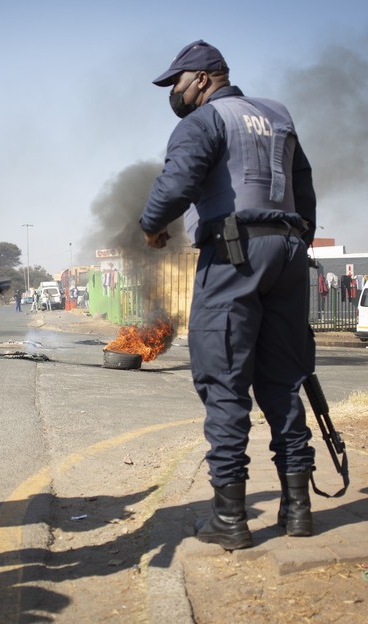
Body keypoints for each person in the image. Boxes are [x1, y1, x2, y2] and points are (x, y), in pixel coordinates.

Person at [140, 41, 318, 551]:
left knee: (224, 382)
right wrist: (298, 241)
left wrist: (152, 227)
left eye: (176, 82)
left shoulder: (203, 121)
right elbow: (304, 188)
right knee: (284, 380)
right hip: (286, 252)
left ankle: (231, 519)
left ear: (202, 78)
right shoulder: (278, 115)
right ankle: (298, 511)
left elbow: (177, 183)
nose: (173, 92)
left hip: (234, 254)